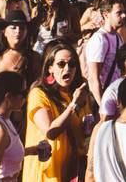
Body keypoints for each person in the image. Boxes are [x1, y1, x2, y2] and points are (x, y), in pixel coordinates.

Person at [23, 42, 94, 182]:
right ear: (50, 68)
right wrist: (74, 105)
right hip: (48, 172)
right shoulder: (39, 94)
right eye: (61, 64)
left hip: (74, 169)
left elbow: (86, 128)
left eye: (72, 64)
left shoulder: (78, 93)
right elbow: (51, 132)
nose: (67, 68)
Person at [0, 71, 51, 182]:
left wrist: (31, 150)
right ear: (9, 96)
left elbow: (5, 154)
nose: (26, 97)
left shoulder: (0, 119)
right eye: (23, 93)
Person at [85, 0, 126, 107]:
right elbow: (93, 78)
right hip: (101, 99)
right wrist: (102, 107)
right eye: (119, 13)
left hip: (113, 96)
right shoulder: (100, 40)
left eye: (124, 12)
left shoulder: (117, 37)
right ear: (106, 15)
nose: (124, 15)